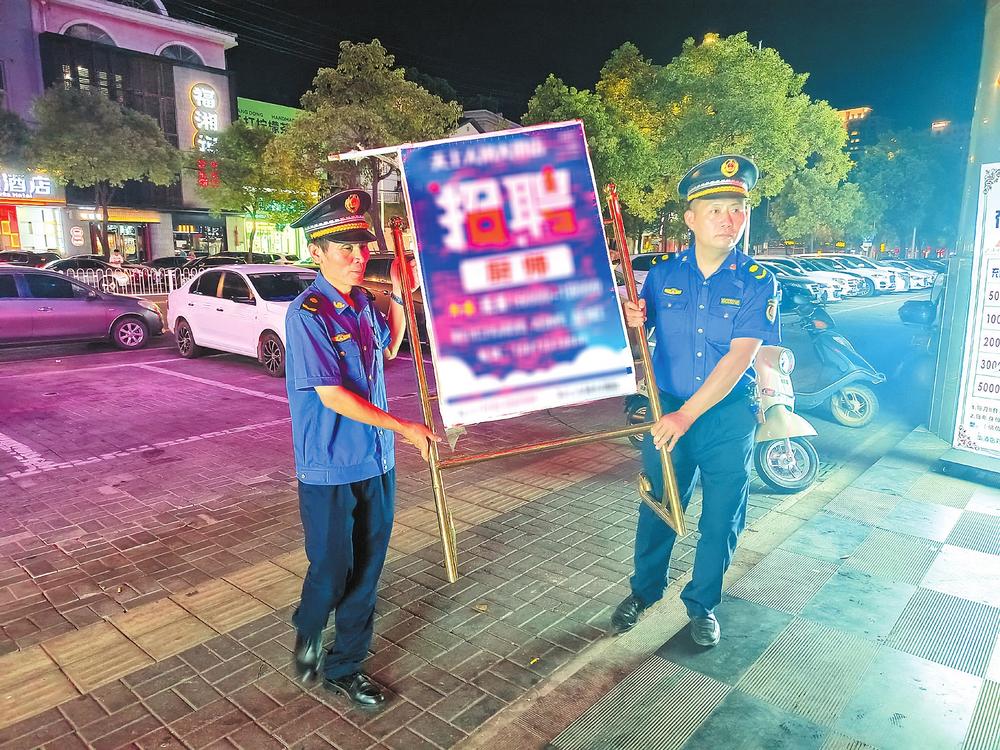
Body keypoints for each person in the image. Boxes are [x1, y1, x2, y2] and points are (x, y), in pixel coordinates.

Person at [612, 155, 780, 646]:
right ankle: (644, 592)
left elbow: (740, 357)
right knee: (659, 503)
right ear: (690, 219)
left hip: (725, 418)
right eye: (715, 210)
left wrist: (687, 415)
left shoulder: (758, 280)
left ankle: (702, 604)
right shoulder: (661, 275)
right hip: (667, 410)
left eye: (737, 209)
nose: (729, 219)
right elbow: (641, 340)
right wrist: (632, 320)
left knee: (722, 516)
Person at [285, 188, 440, 707]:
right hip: (329, 467)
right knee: (332, 572)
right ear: (317, 252)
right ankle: (309, 623)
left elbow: (390, 349)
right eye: (345, 248)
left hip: (376, 462)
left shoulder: (364, 305)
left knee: (368, 572)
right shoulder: (308, 314)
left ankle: (345, 667)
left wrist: (398, 296)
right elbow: (331, 395)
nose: (358, 257)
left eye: (363, 247)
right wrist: (404, 426)